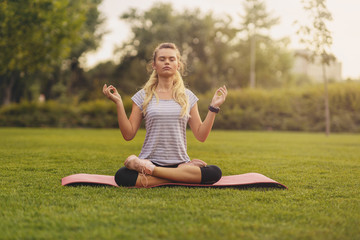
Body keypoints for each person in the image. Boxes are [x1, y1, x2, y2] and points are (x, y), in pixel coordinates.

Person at [103, 42, 227, 187]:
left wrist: (213, 107)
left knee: (215, 172)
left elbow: (201, 135)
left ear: (178, 65)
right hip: (151, 160)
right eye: (162, 59)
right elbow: (128, 134)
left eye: (171, 59)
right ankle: (180, 175)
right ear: (154, 65)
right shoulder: (143, 96)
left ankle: (152, 171)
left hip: (177, 163)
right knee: (122, 176)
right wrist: (118, 103)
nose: (167, 62)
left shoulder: (188, 96)